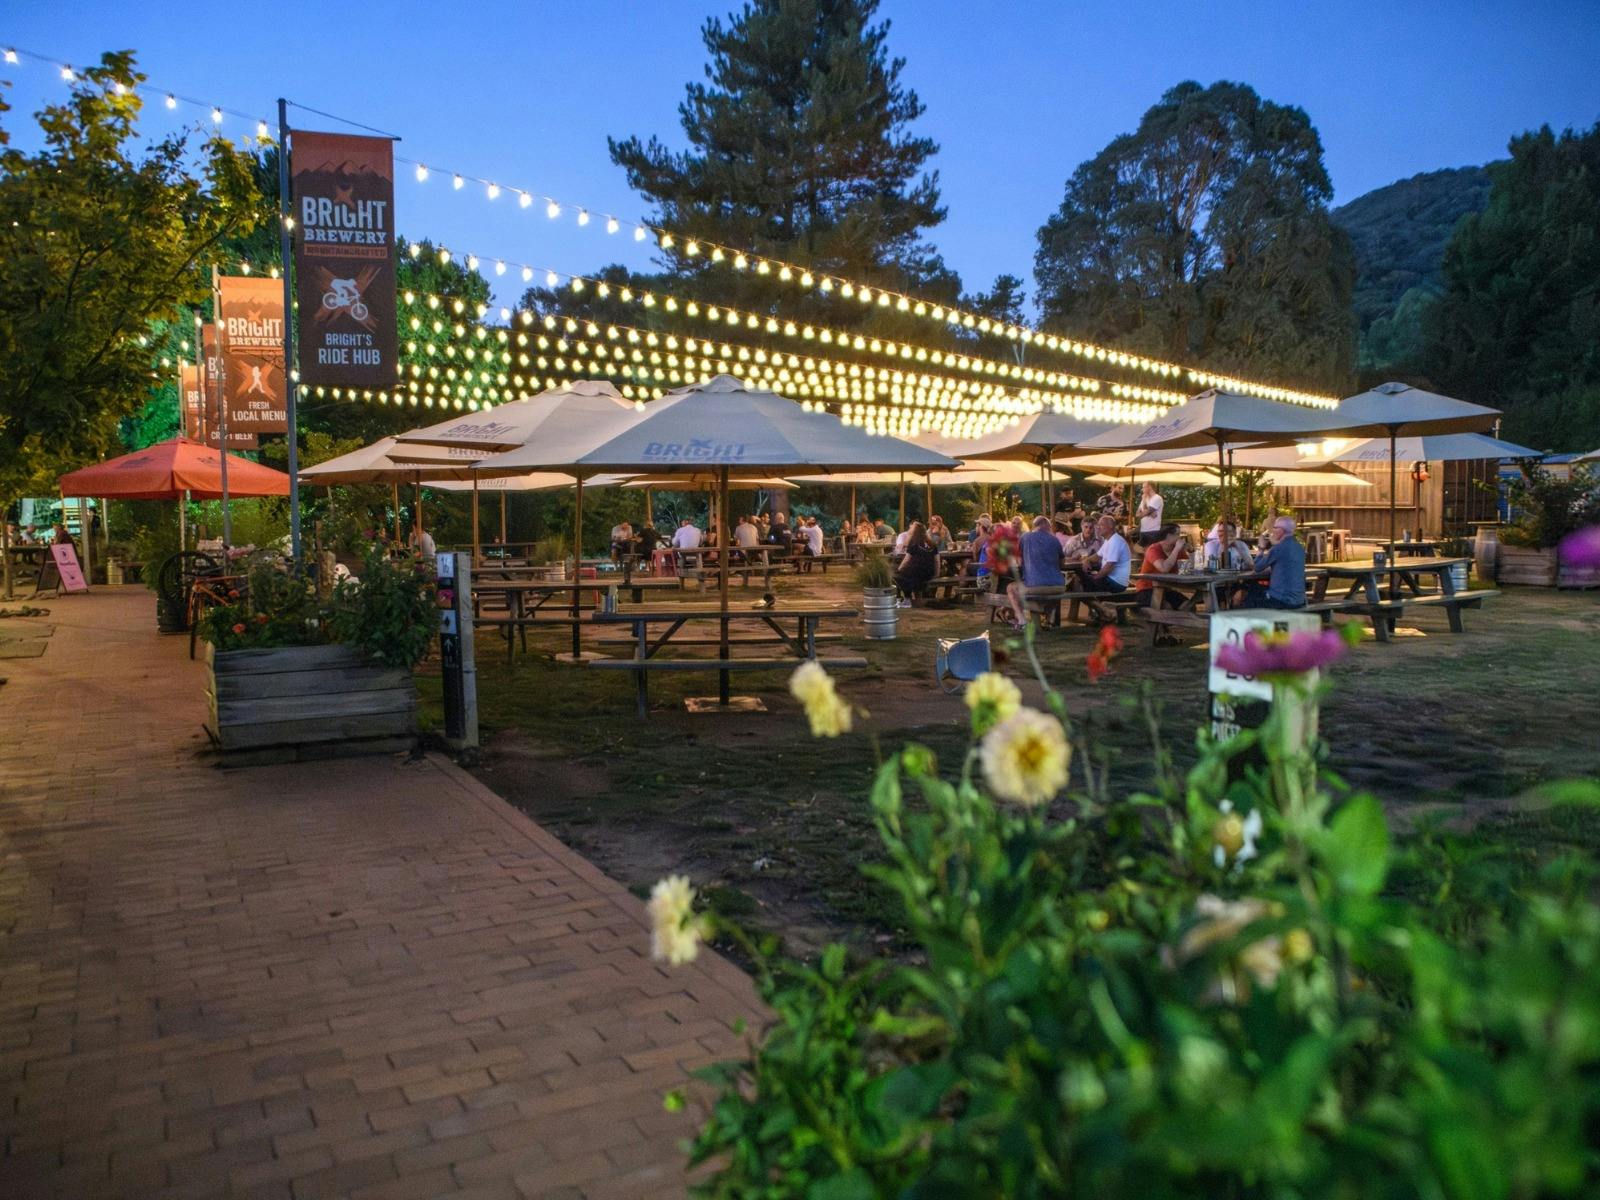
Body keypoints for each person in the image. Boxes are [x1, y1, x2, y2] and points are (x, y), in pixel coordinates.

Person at [1005, 516, 1067, 630]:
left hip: (1035, 586)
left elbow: (1018, 560)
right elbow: (1062, 563)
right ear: (1048, 527)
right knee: (1041, 594)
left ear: (1034, 526)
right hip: (1059, 586)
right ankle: (1048, 617)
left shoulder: (1025, 537)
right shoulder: (1054, 539)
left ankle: (1022, 620)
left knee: (1011, 588)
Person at [1239, 516, 1307, 609]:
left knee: (1251, 594)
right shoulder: (1299, 547)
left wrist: (1261, 548)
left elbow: (1257, 568)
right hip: (1299, 599)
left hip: (1282, 600)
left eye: (1275, 527)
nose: (1272, 530)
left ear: (1281, 531)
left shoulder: (1278, 548)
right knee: (1256, 588)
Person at [1135, 523, 1191, 610]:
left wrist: (1191, 552)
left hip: (1167, 589)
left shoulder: (1178, 550)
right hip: (1147, 589)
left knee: (1188, 606)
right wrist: (1176, 549)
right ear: (1169, 536)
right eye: (1178, 534)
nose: (1180, 537)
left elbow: (1187, 569)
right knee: (1166, 608)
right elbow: (1164, 568)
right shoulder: (1153, 549)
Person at [1082, 515, 1131, 595]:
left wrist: (1096, 577)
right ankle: (1096, 604)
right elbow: (1098, 556)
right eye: (1098, 525)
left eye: (1101, 525)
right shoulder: (1109, 540)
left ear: (1110, 527)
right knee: (1083, 577)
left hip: (1116, 583)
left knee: (1083, 581)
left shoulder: (1115, 541)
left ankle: (1097, 605)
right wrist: (1087, 560)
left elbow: (1109, 566)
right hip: (1111, 579)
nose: (1097, 527)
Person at [893, 522, 938, 606]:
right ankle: (911, 599)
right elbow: (937, 561)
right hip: (929, 573)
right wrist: (936, 574)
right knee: (907, 574)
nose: (909, 529)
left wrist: (899, 570)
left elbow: (906, 561)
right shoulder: (932, 544)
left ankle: (906, 598)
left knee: (896, 575)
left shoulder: (913, 545)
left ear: (915, 532)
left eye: (911, 529)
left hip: (917, 573)